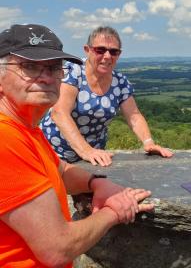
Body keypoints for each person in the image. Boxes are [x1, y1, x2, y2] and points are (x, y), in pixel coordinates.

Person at [0, 23, 154, 267]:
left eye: (53, 68)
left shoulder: (27, 130)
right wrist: (114, 211)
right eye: (29, 66)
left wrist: (96, 182)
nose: (46, 77)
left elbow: (60, 170)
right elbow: (58, 249)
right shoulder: (5, 139)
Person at [41, 26, 173, 166]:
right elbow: (59, 112)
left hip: (94, 157)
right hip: (53, 154)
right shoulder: (73, 71)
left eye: (113, 51)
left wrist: (148, 142)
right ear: (87, 50)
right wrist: (86, 150)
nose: (107, 56)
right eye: (100, 50)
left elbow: (134, 116)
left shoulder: (120, 82)